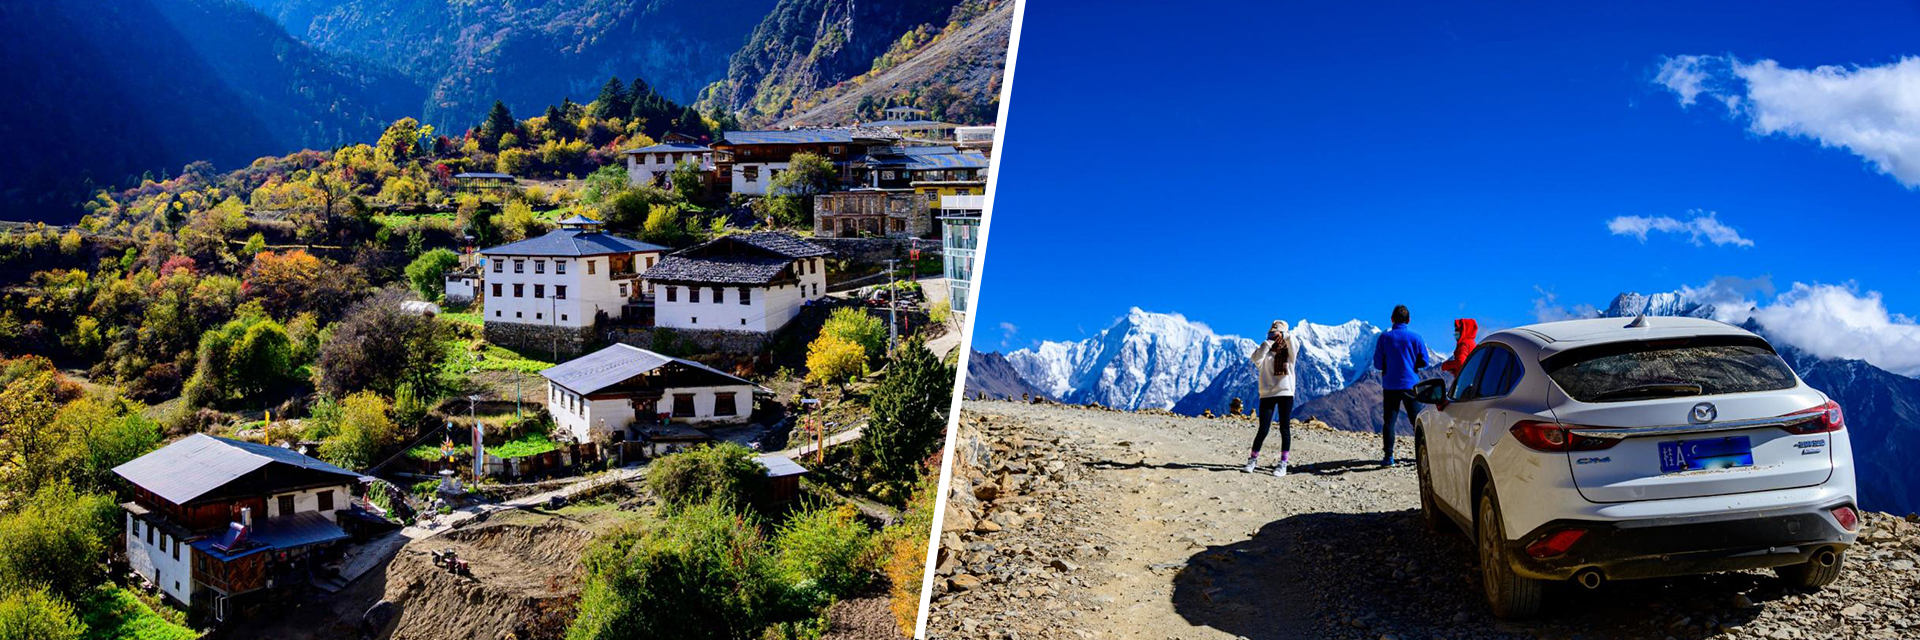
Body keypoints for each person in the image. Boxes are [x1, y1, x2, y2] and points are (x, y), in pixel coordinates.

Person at [1372, 305, 1429, 466]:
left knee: (1389, 422)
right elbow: (1425, 361)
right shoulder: (1416, 338)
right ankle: (1422, 455)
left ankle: (1389, 457)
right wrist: (1412, 365)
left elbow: (1377, 364)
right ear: (1408, 320)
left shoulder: (1384, 338)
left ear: (1392, 320)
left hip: (1390, 385)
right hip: (1411, 384)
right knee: (1417, 421)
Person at [1245, 320, 1298, 476]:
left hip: (1285, 393)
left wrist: (1284, 334)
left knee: (1284, 429)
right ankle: (1252, 460)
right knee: (1263, 429)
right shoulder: (1264, 353)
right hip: (1267, 394)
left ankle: (1283, 463)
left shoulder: (1290, 351)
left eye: (1277, 333)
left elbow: (1295, 341)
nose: (1274, 336)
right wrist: (1268, 342)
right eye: (1271, 333)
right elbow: (1255, 358)